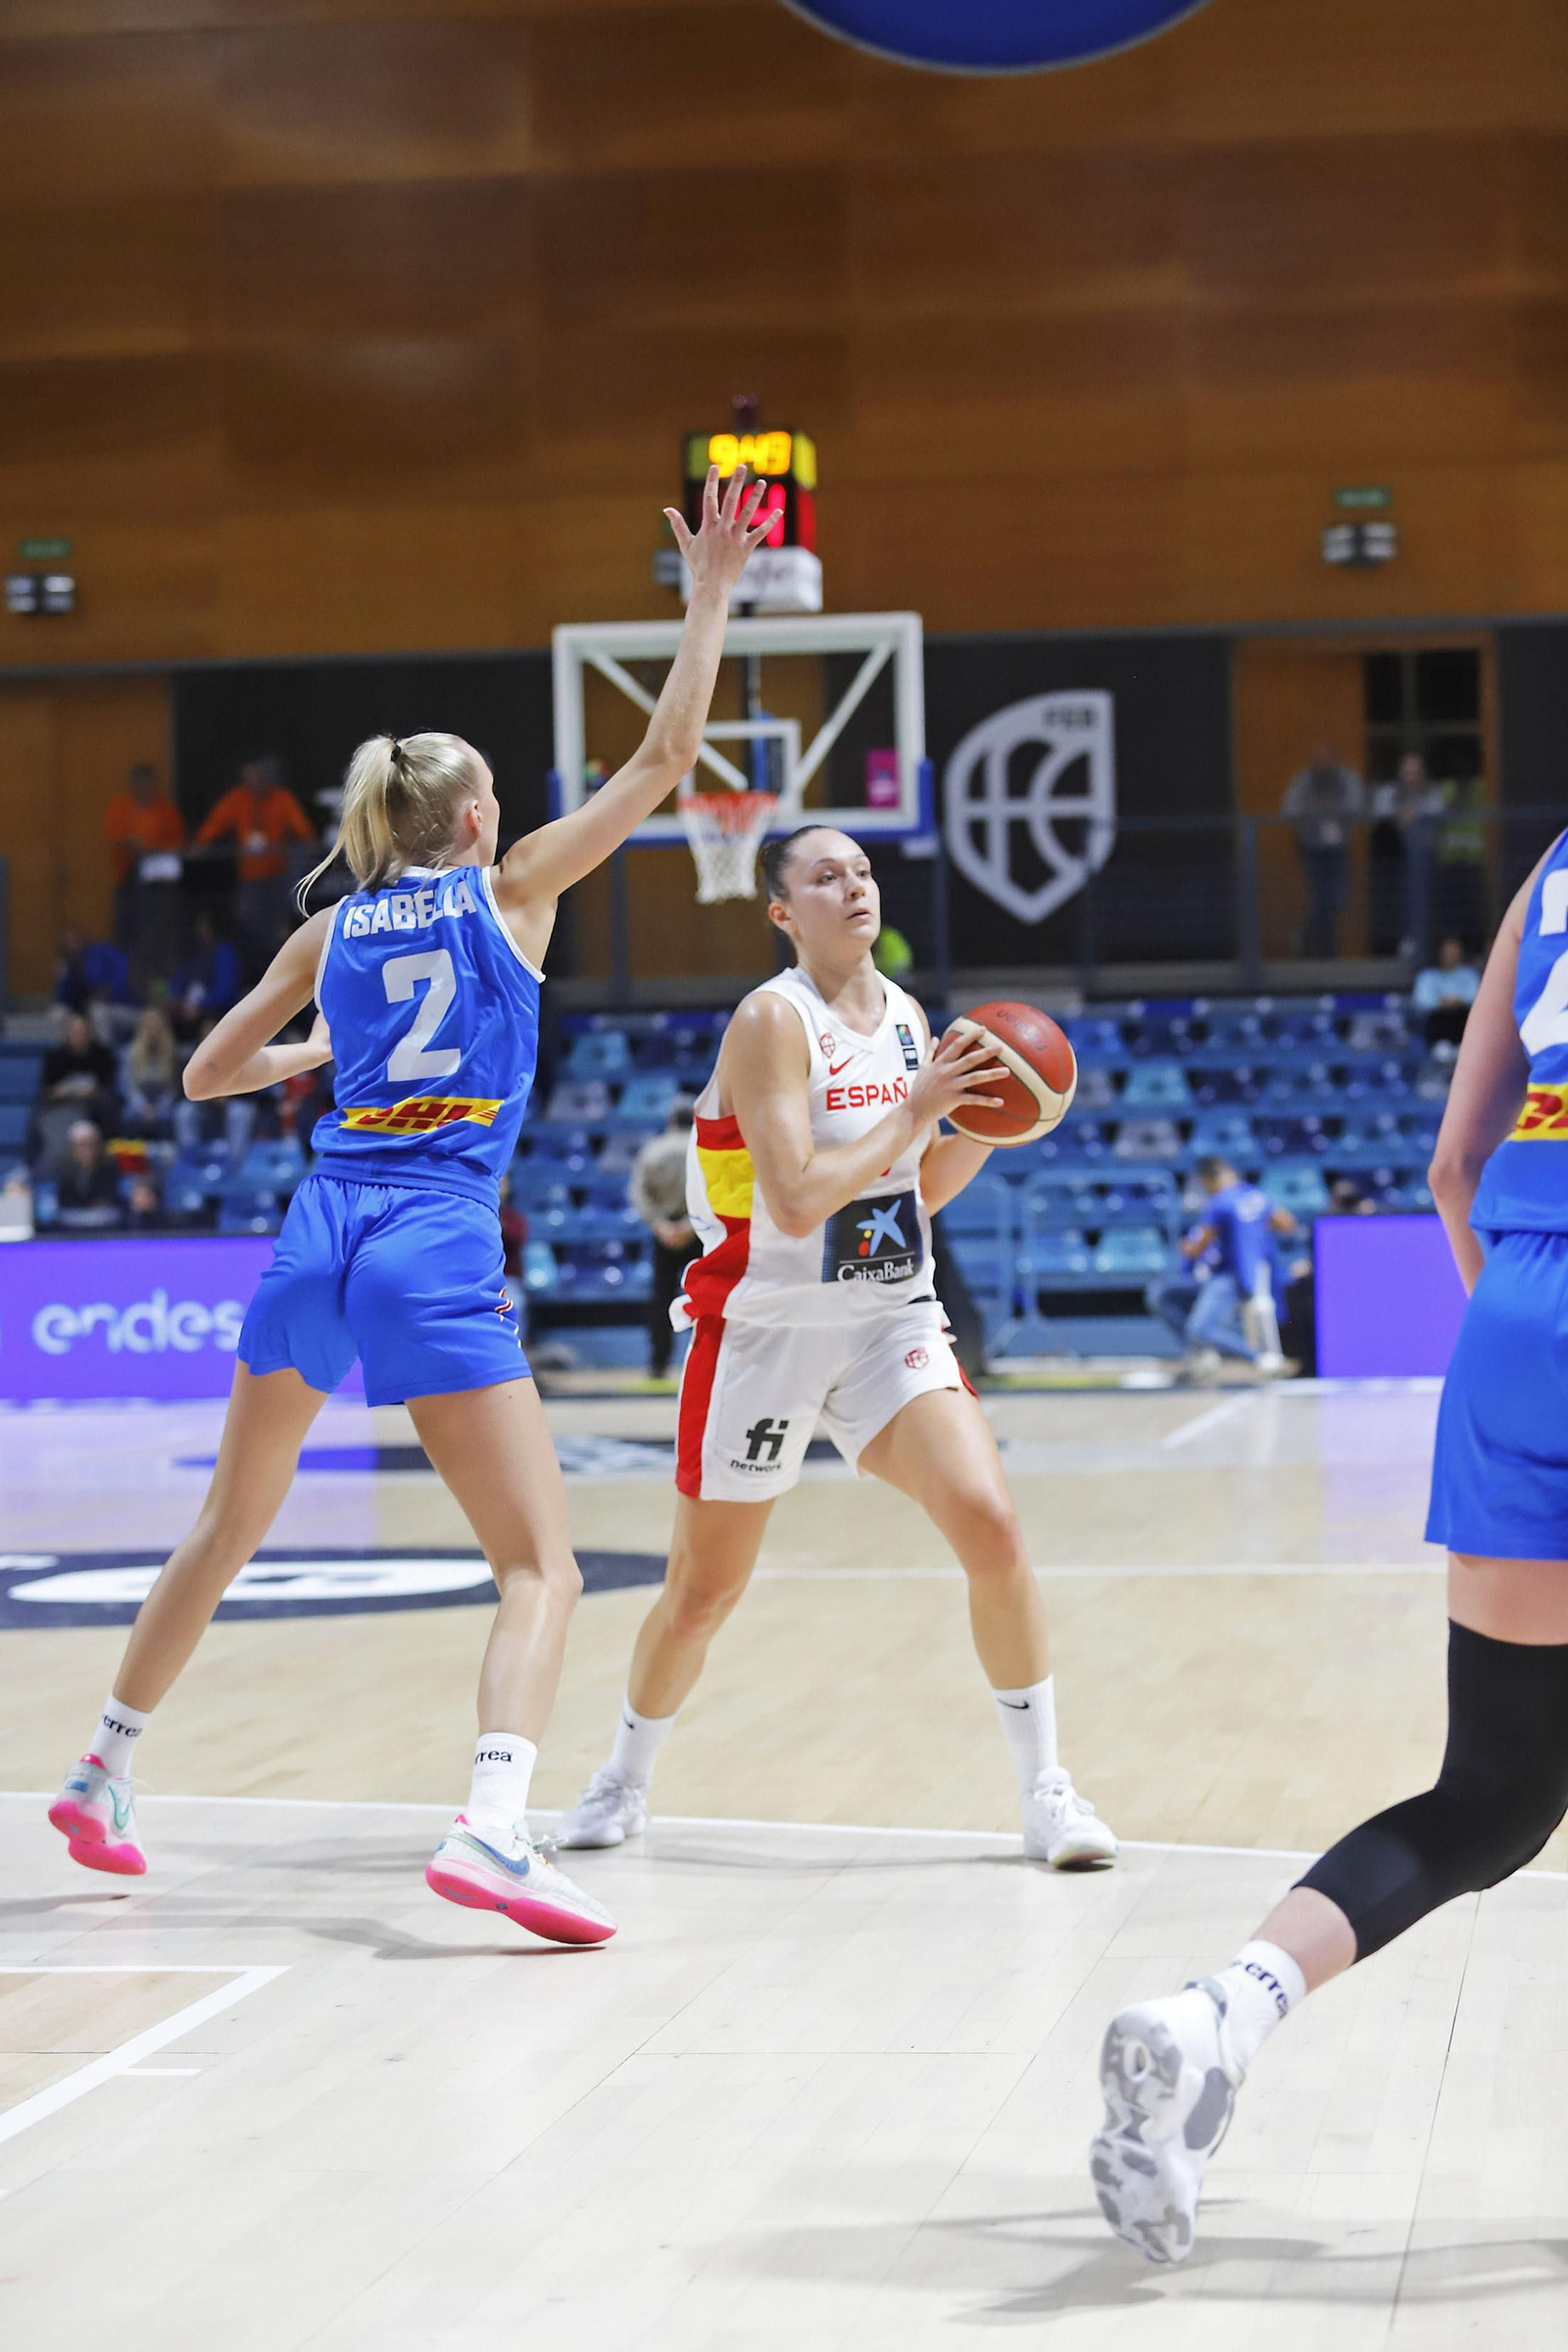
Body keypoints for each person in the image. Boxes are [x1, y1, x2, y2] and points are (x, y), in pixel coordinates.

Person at [46, 465, 780, 1943]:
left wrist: (316, 1048)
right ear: (473, 824)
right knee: (540, 1566)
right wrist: (707, 598)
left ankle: (102, 1768)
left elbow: (200, 1076)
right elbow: (668, 757)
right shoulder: (512, 893)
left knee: (224, 1528)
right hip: (435, 1229)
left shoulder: (333, 924)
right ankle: (495, 1829)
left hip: (320, 1226)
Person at [1090, 825, 1568, 2266]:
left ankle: (1221, 2009)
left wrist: (1521, 1333)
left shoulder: (1553, 867)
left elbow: (1450, 1165)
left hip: (1519, 1317)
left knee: (1490, 1798)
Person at [556, 825, 1117, 1869]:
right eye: (824, 876)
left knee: (990, 1524)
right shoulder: (773, 1021)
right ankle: (622, 1779)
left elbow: (915, 1188)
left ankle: (1047, 1792)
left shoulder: (908, 1019)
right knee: (703, 1592)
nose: (851, 886)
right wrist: (917, 1109)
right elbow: (799, 1195)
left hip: (886, 1320)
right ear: (780, 911)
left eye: (860, 871)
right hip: (762, 1330)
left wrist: (988, 1126)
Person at [1147, 1158, 1296, 1380]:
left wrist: (1185, 1246)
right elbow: (1287, 1224)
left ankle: (1260, 1359)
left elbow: (1196, 1247)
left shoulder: (1221, 1202)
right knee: (1163, 1294)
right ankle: (1200, 1355)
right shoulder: (1257, 1197)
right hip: (1247, 1276)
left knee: (1198, 1328)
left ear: (1210, 1179)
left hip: (1229, 1278)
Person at [193, 756, 318, 978]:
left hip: (277, 877)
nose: (253, 784)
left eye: (258, 778)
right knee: (247, 924)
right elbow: (215, 823)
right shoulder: (237, 799)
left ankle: (281, 974)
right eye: (248, 779)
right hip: (250, 879)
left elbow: (302, 828)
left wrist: (311, 845)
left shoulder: (281, 798)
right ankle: (251, 974)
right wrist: (200, 845)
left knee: (278, 927)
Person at [629, 1099, 696, 1380]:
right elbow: (715, 1193)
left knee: (661, 1300)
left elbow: (639, 1193)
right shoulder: (702, 1150)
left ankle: (658, 1365)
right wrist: (689, 1226)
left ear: (671, 1121)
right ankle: (707, 1359)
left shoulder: (653, 1149)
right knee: (706, 1297)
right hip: (698, 1232)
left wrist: (660, 1226)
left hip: (664, 1234)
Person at [103, 762, 185, 982]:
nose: (144, 788)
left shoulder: (164, 809)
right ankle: (124, 984)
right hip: (126, 881)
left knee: (155, 937)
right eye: (139, 783)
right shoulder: (121, 806)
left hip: (155, 886)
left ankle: (154, 983)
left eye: (148, 783)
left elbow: (177, 842)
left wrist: (151, 846)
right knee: (125, 935)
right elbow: (114, 836)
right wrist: (131, 843)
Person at [1283, 742, 1363, 957]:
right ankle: (1326, 952)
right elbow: (1289, 808)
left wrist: (1331, 809)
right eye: (1319, 760)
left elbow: (1356, 805)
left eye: (1328, 759)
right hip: (1311, 847)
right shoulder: (1304, 780)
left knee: (1338, 897)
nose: (1324, 764)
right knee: (1320, 898)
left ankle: (1305, 936)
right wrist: (1315, 812)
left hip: (1338, 847)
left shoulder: (1346, 778)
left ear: (1335, 760)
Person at [1367, 752, 1441, 959]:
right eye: (1407, 771)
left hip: (1422, 865)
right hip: (1391, 864)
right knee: (1392, 909)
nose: (1412, 776)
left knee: (1421, 908)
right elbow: (1379, 813)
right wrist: (1398, 815)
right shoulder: (1389, 792)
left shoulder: (1431, 792)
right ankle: (1396, 947)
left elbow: (1438, 811)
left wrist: (1416, 814)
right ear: (1400, 772)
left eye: (1416, 771)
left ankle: (1420, 950)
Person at [1413, 934, 1481, 1053]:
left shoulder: (1470, 975)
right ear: (1440, 953)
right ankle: (1438, 1048)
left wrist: (1457, 1001)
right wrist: (1442, 1002)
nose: (1451, 956)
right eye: (1448, 953)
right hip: (1435, 1023)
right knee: (1437, 1017)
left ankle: (1463, 1048)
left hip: (1462, 1020)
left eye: (1455, 953)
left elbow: (1476, 998)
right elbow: (1422, 1001)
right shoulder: (1427, 976)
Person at [52, 1120, 124, 1230]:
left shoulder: (110, 1166)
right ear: (72, 1147)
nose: (87, 1149)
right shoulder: (63, 1168)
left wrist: (102, 1203)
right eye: (81, 1145)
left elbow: (113, 1196)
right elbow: (62, 1199)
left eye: (91, 1144)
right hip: (72, 1221)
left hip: (104, 1222)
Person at [120, 1004, 180, 1133]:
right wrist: (143, 1108)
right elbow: (128, 1087)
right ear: (142, 1029)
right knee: (128, 1115)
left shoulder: (171, 1053)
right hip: (138, 1103)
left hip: (163, 1105)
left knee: (171, 1116)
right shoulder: (130, 1053)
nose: (153, 1031)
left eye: (156, 1027)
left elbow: (173, 1088)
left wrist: (159, 1109)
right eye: (149, 1027)